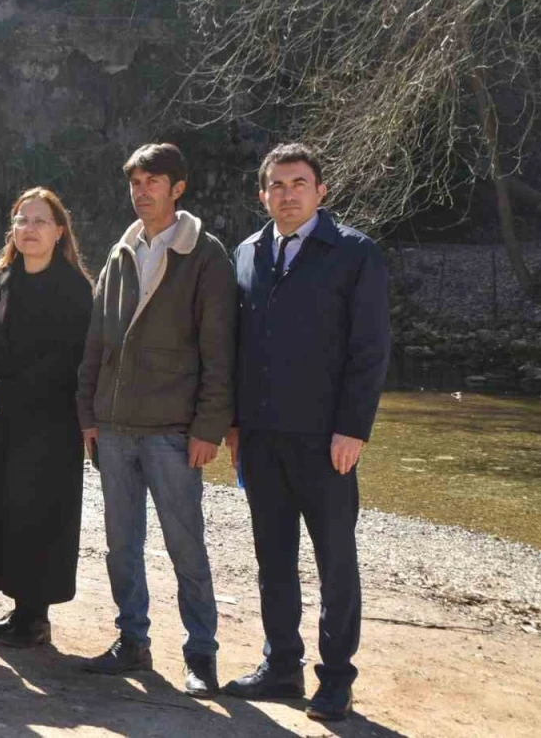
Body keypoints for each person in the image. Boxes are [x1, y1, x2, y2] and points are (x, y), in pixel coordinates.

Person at [222, 143, 390, 722]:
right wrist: (235, 424)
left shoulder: (354, 253)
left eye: (298, 183)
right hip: (261, 438)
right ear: (262, 194)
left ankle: (336, 679)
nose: (287, 194)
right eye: (277, 185)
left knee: (335, 561)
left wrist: (353, 429)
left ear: (321, 191)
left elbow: (370, 350)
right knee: (273, 557)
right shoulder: (247, 254)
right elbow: (238, 348)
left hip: (326, 441)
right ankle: (281, 666)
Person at [75, 143, 237, 697]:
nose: (142, 192)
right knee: (121, 546)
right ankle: (133, 642)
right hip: (114, 428)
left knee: (186, 547)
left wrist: (208, 428)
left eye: (153, 182)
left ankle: (202, 655)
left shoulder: (205, 255)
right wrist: (88, 415)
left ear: (178, 187)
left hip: (173, 432)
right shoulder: (121, 252)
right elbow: (96, 342)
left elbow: (219, 352)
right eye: (135, 183)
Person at [0, 187, 93, 648]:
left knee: (38, 514)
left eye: (40, 221)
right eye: (22, 220)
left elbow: (64, 361)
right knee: (4, 510)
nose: (29, 228)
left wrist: (2, 393)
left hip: (47, 426)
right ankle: (19, 609)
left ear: (59, 232)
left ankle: (36, 618)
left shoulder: (75, 290)